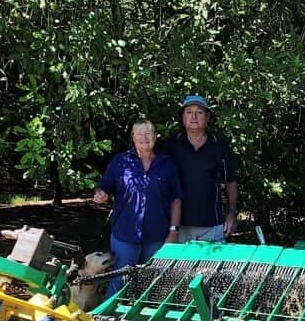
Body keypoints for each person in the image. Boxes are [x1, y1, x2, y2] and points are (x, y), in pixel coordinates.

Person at [94, 119, 182, 294]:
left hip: (156, 237)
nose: (144, 138)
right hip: (124, 236)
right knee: (118, 285)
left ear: (155, 136)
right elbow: (104, 186)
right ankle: (110, 320)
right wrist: (101, 193)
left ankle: (143, 320)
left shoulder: (167, 165)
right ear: (133, 138)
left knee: (151, 286)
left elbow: (176, 199)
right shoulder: (120, 162)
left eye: (148, 133)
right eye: (139, 134)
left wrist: (174, 231)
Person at [164, 95, 239, 242]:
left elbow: (231, 182)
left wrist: (232, 213)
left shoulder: (219, 146)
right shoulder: (171, 146)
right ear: (182, 117)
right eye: (189, 112)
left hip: (213, 225)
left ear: (207, 117)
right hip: (178, 226)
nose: (193, 117)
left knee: (212, 265)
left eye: (199, 112)